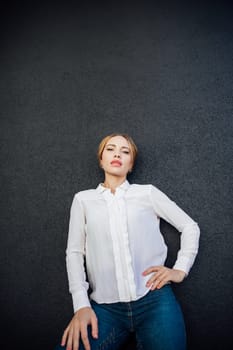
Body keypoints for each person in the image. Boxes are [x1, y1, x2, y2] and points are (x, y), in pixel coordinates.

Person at [56, 133, 200, 350]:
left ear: (131, 164)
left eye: (125, 152)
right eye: (111, 149)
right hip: (105, 309)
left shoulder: (147, 193)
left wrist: (179, 269)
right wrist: (81, 306)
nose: (117, 154)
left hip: (154, 300)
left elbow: (190, 227)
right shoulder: (83, 200)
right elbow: (75, 253)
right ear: (101, 159)